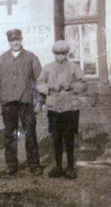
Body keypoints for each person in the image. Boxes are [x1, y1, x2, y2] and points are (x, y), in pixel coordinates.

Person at [0, 29, 43, 175]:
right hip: (7, 103)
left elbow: (40, 81)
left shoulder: (31, 57)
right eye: (12, 40)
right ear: (9, 41)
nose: (15, 43)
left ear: (22, 40)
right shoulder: (1, 59)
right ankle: (11, 164)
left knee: (30, 133)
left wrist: (40, 101)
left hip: (26, 102)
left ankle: (34, 164)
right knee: (10, 134)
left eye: (18, 39)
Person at [37, 40, 87, 179]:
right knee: (56, 138)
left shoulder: (74, 67)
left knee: (69, 138)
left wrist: (71, 85)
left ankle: (70, 166)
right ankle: (58, 166)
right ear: (54, 54)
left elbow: (83, 84)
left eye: (63, 53)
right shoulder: (47, 68)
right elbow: (39, 84)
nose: (61, 56)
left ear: (67, 53)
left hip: (70, 108)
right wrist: (49, 87)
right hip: (53, 108)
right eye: (58, 54)